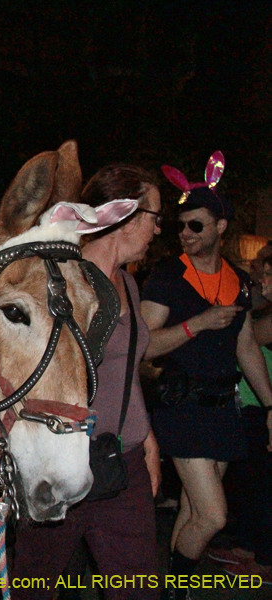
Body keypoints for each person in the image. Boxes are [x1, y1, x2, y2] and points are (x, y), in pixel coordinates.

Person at [0, 164, 164, 600]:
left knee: (139, 588)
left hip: (122, 464)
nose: (159, 229)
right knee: (35, 586)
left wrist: (146, 440)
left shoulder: (129, 285)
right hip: (57, 462)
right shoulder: (61, 282)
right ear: (124, 216)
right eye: (155, 217)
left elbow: (126, 370)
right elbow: (19, 370)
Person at [140, 152, 272, 600]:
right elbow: (144, 345)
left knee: (194, 511)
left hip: (222, 409)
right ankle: (175, 590)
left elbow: (246, 347)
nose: (185, 233)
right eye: (180, 226)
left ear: (220, 227)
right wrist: (197, 324)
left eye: (196, 225)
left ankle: (177, 588)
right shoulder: (168, 276)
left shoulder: (238, 281)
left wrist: (270, 404)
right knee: (214, 516)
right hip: (182, 407)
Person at [206, 253, 272, 584]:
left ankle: (264, 560)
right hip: (254, 404)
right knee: (253, 482)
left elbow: (247, 339)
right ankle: (251, 546)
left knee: (262, 485)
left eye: (268, 273)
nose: (262, 279)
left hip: (261, 407)